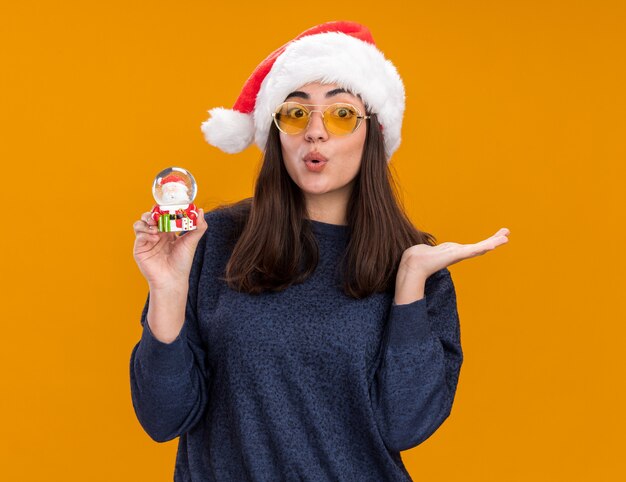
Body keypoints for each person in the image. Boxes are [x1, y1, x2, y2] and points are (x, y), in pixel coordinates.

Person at [130, 21, 509, 481]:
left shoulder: (416, 266)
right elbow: (163, 418)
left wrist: (408, 287)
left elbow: (405, 426)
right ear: (276, 133)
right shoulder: (212, 241)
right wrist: (167, 292)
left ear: (372, 132)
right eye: (295, 113)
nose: (315, 132)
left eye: (341, 115)